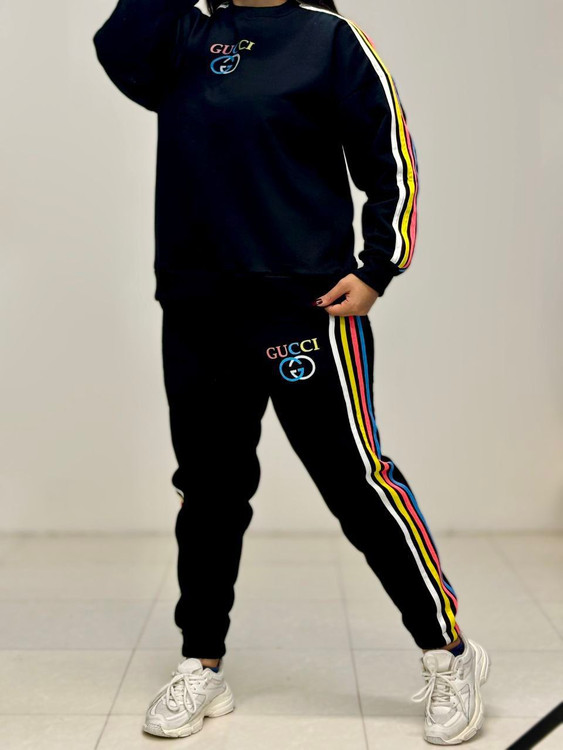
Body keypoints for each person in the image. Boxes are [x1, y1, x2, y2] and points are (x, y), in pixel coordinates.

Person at [92, 0, 491, 743]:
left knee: (356, 484)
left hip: (306, 308)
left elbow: (391, 158)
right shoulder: (183, 36)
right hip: (199, 308)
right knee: (208, 493)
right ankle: (202, 664)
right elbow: (118, 46)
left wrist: (378, 267)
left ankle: (449, 652)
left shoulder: (328, 40)